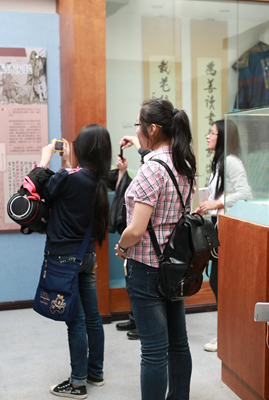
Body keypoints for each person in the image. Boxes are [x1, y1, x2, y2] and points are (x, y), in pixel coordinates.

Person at [115, 98, 196, 400]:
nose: (136, 130)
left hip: (147, 268)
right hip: (174, 265)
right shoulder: (184, 162)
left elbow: (136, 229)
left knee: (153, 350)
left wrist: (121, 246)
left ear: (152, 129)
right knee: (178, 343)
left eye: (138, 125)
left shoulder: (152, 169)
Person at [38, 125, 111, 399]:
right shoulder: (100, 180)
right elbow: (71, 183)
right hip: (87, 256)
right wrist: (68, 165)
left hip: (63, 258)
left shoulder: (70, 178)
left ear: (84, 149)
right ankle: (95, 372)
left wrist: (45, 160)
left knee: (75, 320)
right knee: (92, 317)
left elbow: (44, 190)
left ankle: (78, 383)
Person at [194, 119, 251, 352]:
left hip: (229, 230)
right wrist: (206, 205)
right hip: (219, 228)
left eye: (213, 133)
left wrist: (216, 203)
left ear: (224, 137)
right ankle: (224, 333)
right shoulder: (220, 161)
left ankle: (226, 335)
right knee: (218, 282)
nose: (208, 136)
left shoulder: (231, 161)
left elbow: (245, 193)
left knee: (221, 283)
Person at [111, 135, 151, 340]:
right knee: (132, 282)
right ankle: (135, 318)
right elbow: (121, 193)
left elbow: (148, 156)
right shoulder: (148, 167)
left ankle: (141, 323)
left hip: (144, 241)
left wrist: (122, 247)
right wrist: (122, 172)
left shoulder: (155, 166)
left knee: (140, 285)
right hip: (134, 238)